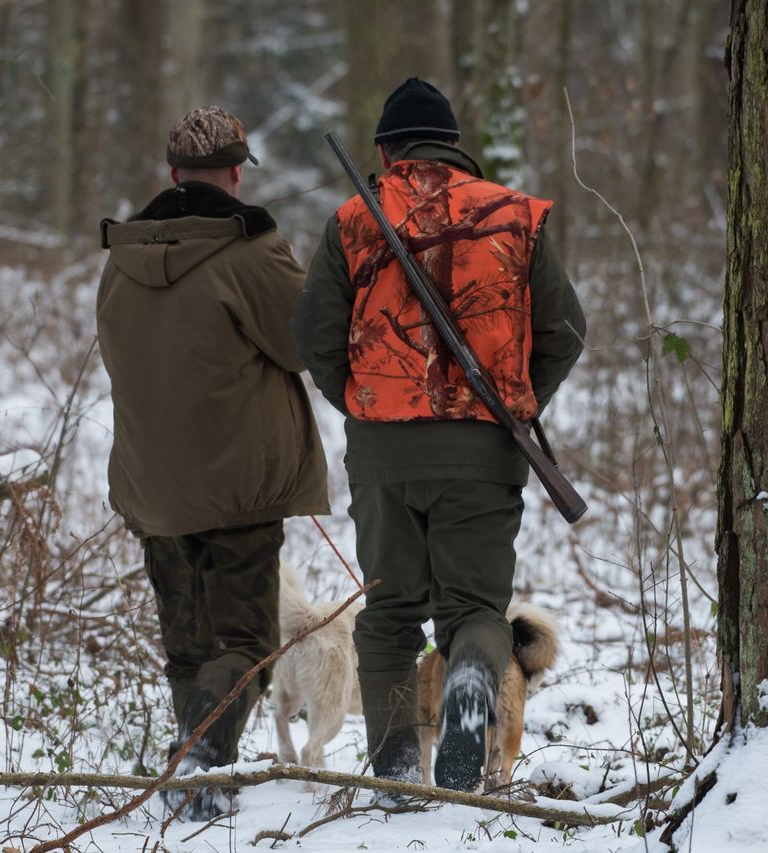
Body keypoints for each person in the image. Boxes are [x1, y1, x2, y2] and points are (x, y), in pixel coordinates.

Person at [293, 78, 585, 793]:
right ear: (457, 149)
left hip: (384, 454)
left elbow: (313, 336)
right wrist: (514, 407)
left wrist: (363, 404)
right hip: (486, 452)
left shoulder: (354, 221)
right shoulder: (516, 218)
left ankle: (396, 772)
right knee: (475, 612)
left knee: (389, 615)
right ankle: (470, 685)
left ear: (386, 151)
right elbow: (567, 330)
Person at [97, 106, 328, 819]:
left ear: (172, 175)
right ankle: (201, 758)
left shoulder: (122, 257)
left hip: (151, 487)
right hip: (237, 487)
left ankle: (195, 773)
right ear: (236, 171)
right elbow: (304, 343)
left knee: (190, 646)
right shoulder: (248, 249)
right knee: (244, 642)